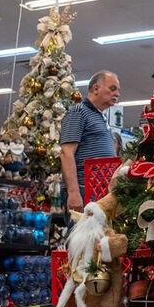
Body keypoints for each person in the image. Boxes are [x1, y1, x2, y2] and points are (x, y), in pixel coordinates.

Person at [60, 71, 119, 212]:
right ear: (96, 89)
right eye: (112, 88)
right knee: (82, 233)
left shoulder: (99, 116)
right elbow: (66, 153)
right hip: (83, 188)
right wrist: (73, 193)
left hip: (97, 188)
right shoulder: (78, 112)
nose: (117, 94)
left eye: (118, 90)